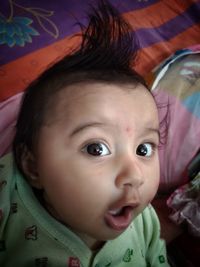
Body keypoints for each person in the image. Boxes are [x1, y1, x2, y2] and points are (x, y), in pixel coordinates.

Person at [0, 1, 170, 266]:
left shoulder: (145, 220)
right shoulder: (7, 194)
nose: (135, 175)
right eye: (96, 148)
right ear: (33, 165)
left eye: (144, 149)